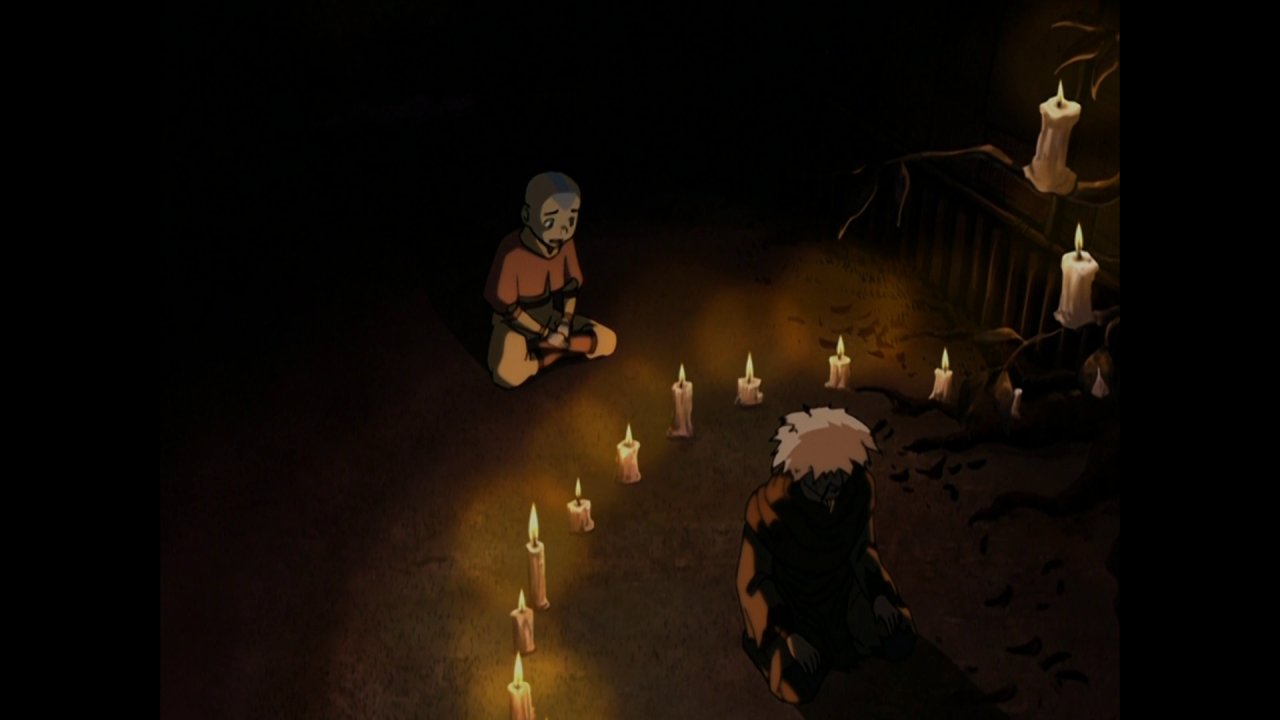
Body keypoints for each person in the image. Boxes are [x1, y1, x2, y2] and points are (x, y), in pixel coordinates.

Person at [736, 406, 917, 705]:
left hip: (842, 596)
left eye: (841, 475)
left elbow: (863, 551)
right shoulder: (768, 510)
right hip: (792, 606)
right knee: (797, 682)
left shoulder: (856, 489)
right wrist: (788, 634)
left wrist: (879, 597)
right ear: (802, 471)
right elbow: (754, 582)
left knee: (899, 637)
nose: (835, 485)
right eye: (825, 477)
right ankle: (771, 650)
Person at [483, 172, 616, 388]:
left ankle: (548, 353)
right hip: (514, 325)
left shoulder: (565, 244)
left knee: (609, 340)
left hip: (551, 318)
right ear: (527, 215)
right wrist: (546, 334)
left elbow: (570, 289)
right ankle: (557, 352)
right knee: (506, 374)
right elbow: (509, 309)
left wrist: (565, 323)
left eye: (571, 219)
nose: (562, 229)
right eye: (551, 220)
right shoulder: (511, 251)